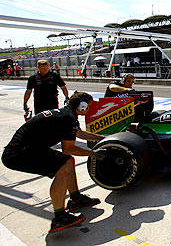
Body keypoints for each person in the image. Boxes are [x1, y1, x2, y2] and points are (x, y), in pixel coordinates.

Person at [2, 92, 105, 233]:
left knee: (68, 161)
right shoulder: (68, 118)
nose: (89, 109)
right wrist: (93, 154)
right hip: (19, 153)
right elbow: (68, 148)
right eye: (89, 106)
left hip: (26, 149)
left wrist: (102, 138)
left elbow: (78, 133)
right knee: (63, 166)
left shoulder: (67, 114)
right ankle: (60, 217)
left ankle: (75, 199)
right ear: (82, 106)